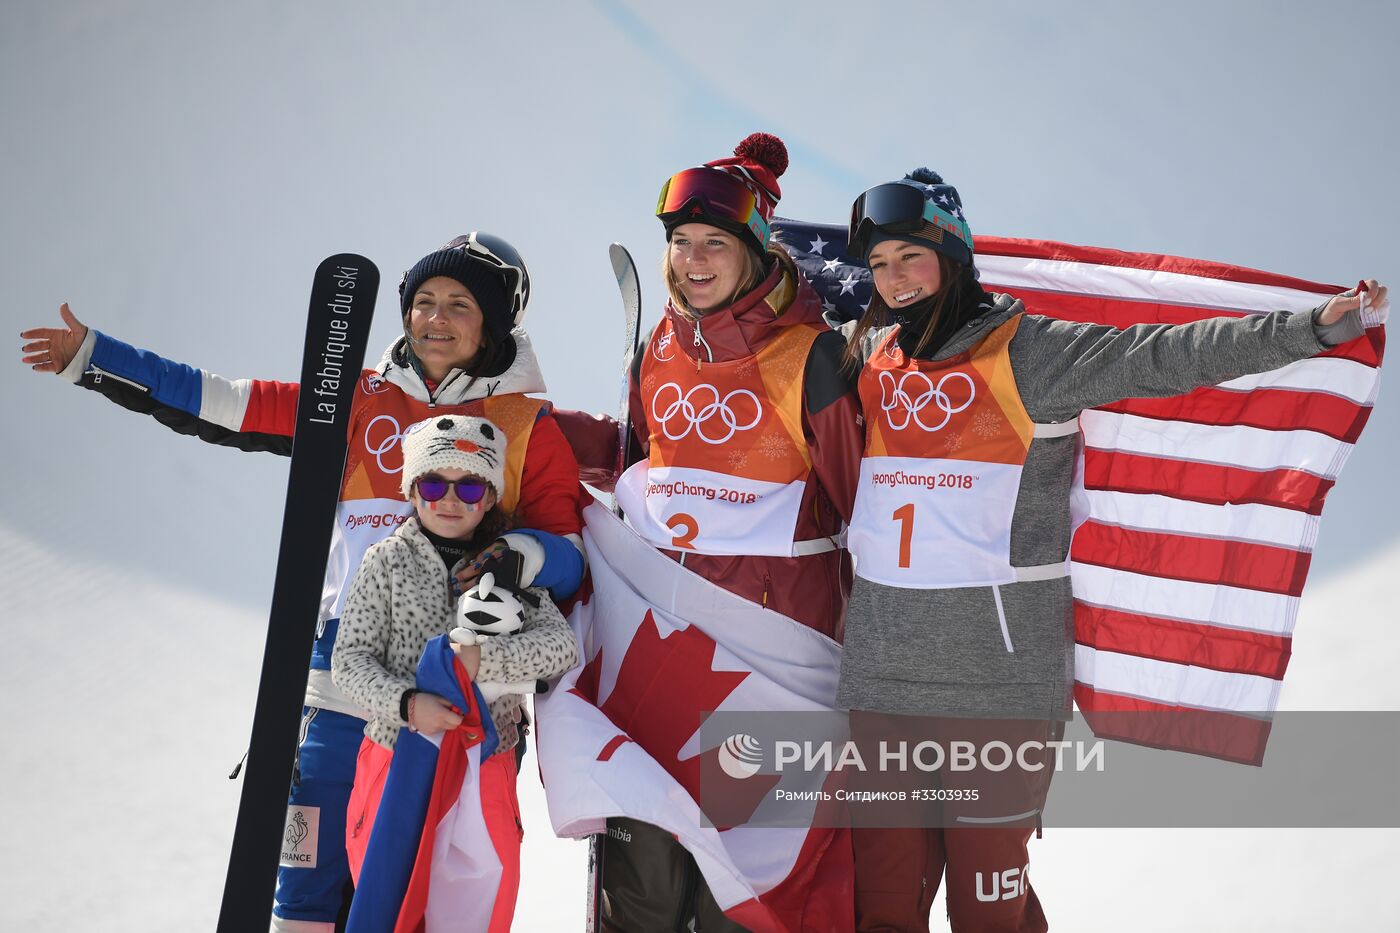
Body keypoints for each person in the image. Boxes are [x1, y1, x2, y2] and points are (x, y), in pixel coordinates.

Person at [834, 168, 1385, 933]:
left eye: (911, 257)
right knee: (881, 911)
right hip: (880, 689)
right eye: (881, 263)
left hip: (997, 694)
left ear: (953, 255)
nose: (893, 280)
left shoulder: (1032, 352)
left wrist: (1314, 326)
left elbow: (1165, 355)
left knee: (985, 915)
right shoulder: (868, 360)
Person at [18, 232, 586, 932]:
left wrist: (517, 554)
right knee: (308, 886)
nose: (435, 319)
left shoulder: (528, 426)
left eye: (460, 305)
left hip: (458, 693)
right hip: (341, 678)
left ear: (496, 323)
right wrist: (96, 358)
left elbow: (569, 557)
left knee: (419, 896)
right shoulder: (355, 400)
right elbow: (229, 404)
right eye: (424, 301)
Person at [559, 133, 865, 931]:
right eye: (681, 242)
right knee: (646, 882)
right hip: (655, 649)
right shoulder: (658, 347)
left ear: (757, 249)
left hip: (774, 666)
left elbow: (861, 503)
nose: (694, 259)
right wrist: (524, 432)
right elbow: (637, 456)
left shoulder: (813, 357)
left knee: (749, 891)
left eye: (715, 244)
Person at [332, 414, 579, 928]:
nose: (449, 499)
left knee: (474, 900)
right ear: (412, 490)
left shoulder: (506, 568)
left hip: (483, 759)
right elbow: (349, 662)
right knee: (393, 900)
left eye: (469, 486)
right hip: (398, 752)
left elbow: (560, 648)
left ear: (489, 497)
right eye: (432, 483)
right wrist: (406, 703)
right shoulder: (387, 562)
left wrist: (483, 660)